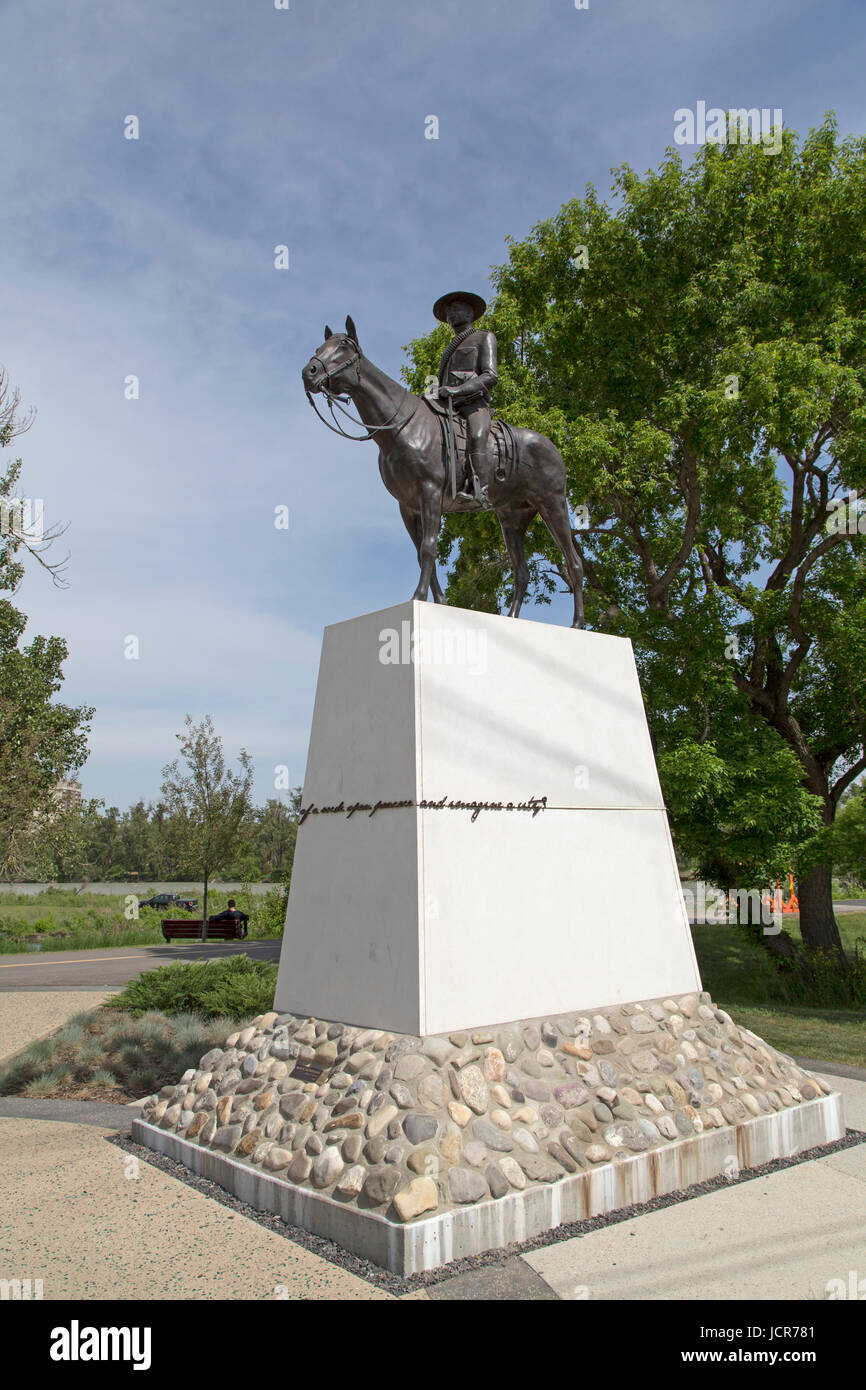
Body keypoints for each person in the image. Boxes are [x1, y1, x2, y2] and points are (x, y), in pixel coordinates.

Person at [433, 291, 498, 504]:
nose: (451, 315)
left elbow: (490, 376)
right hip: (448, 406)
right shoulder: (449, 348)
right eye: (448, 312)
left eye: (456, 309)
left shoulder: (483, 337)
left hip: (473, 403)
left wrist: (458, 391)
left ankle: (480, 489)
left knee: (477, 436)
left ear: (470, 314)